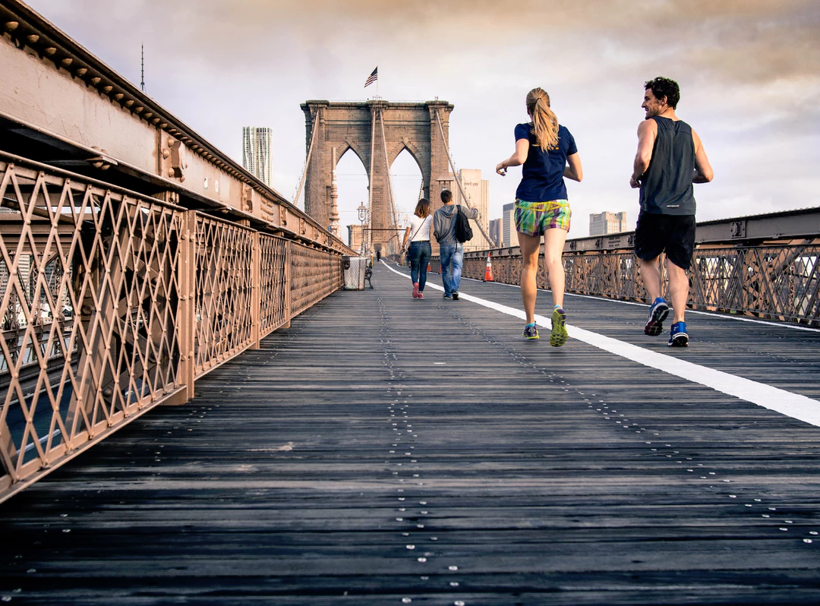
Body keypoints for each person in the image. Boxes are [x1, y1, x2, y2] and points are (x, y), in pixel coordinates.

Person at [630, 77, 713, 347]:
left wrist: (636, 176)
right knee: (678, 270)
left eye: (647, 99)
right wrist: (683, 178)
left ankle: (657, 302)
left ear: (662, 101)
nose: (643, 104)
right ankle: (679, 325)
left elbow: (643, 158)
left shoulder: (649, 125)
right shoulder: (691, 132)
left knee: (647, 259)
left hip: (655, 208)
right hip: (685, 212)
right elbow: (707, 174)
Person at [496, 87, 583, 346]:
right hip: (558, 202)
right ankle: (557, 307)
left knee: (529, 265)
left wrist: (503, 163)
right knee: (554, 260)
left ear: (528, 109)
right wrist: (557, 167)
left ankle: (531, 324)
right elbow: (578, 174)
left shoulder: (523, 128)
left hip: (529, 203)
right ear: (548, 105)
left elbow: (521, 157)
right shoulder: (564, 133)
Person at [433, 189, 478, 300]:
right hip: (457, 244)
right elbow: (473, 215)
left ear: (442, 200)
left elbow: (437, 231)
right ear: (451, 198)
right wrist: (475, 209)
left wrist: (440, 239)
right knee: (457, 267)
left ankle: (448, 293)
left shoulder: (437, 213)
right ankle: (455, 289)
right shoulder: (460, 208)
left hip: (444, 244)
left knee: (445, 268)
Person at [401, 198, 434, 299]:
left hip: (415, 246)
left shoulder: (412, 218)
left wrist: (403, 245)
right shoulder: (430, 218)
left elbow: (407, 233)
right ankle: (420, 292)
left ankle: (415, 283)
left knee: (414, 269)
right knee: (423, 270)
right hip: (426, 245)